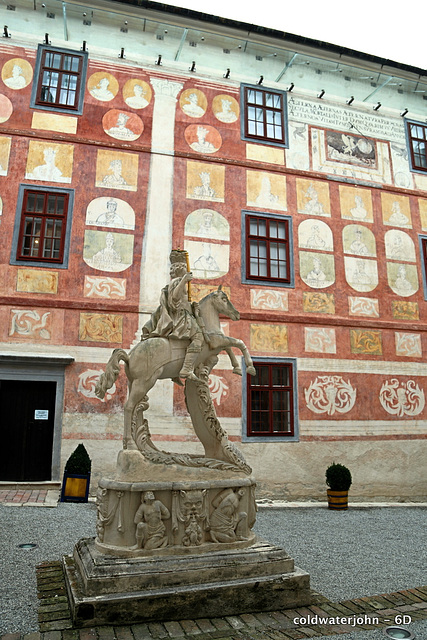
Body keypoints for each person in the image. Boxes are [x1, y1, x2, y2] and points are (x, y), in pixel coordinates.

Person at [141, 249, 204, 382]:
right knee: (198, 337)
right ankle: (186, 368)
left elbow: (183, 301)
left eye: (184, 267)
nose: (184, 269)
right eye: (182, 267)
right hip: (181, 318)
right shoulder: (176, 282)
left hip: (186, 314)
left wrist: (193, 308)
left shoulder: (178, 281)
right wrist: (184, 281)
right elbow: (174, 298)